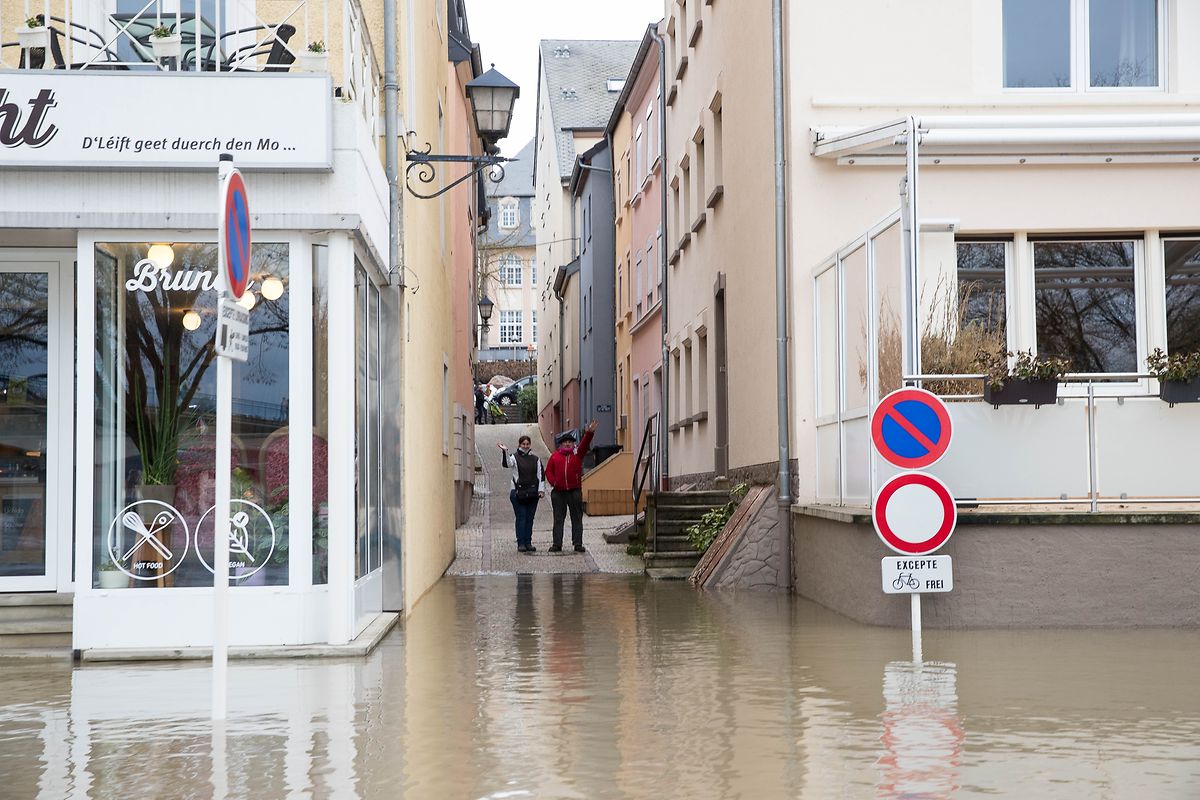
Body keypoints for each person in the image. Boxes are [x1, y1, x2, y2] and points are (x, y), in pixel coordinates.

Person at [544, 419, 597, 553]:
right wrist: (554, 482)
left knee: (577, 518)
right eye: (565, 442)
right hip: (559, 492)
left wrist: (589, 433)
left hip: (574, 491)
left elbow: (585, 444)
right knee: (558, 519)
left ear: (573, 444)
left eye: (570, 442)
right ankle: (557, 544)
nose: (567, 444)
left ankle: (578, 543)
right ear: (561, 444)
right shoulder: (555, 456)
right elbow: (548, 471)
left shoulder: (577, 454)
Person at [498, 435, 546, 553]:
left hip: (532, 493)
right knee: (521, 518)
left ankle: (528, 542)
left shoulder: (536, 459)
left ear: (530, 445)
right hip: (517, 493)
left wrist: (541, 490)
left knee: (530, 519)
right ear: (519, 445)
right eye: (523, 444)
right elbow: (507, 464)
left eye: (527, 444)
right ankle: (521, 543)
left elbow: (540, 475)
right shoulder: (514, 457)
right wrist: (505, 451)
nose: (525, 446)